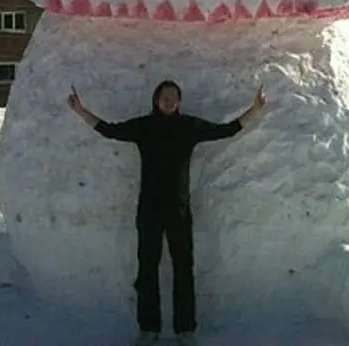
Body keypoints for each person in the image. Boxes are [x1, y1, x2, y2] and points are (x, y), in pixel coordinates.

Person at [68, 79, 267, 345]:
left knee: (183, 269)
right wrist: (80, 110)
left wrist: (255, 109)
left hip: (179, 211)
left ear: (179, 101)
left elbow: (227, 130)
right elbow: (109, 130)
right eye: (165, 96)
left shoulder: (189, 127)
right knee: (147, 269)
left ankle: (186, 330)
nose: (169, 101)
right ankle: (148, 328)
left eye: (174, 97)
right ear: (156, 99)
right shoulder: (144, 127)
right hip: (149, 210)